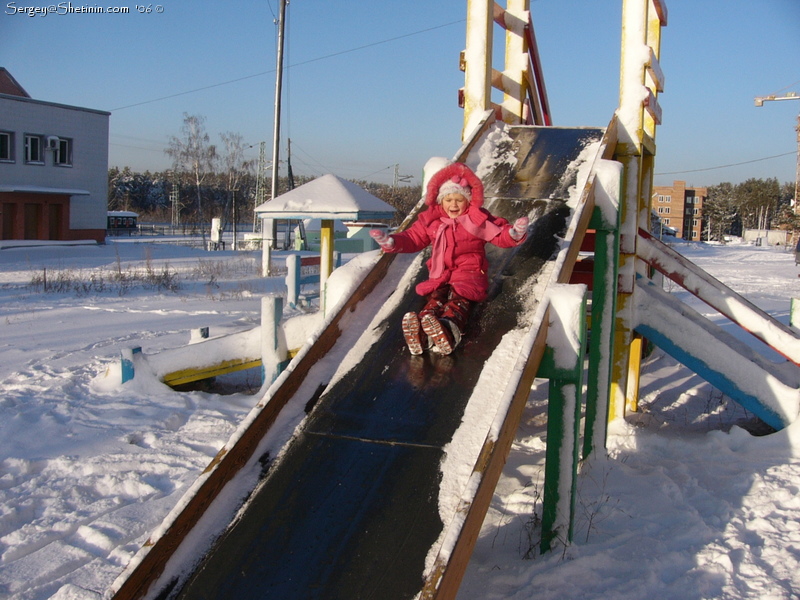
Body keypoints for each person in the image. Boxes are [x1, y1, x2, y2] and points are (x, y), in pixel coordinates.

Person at [370, 161, 528, 356]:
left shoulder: (476, 219)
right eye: (448, 199)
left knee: (458, 301)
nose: (453, 204)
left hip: (469, 273)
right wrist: (393, 242)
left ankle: (449, 330)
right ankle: (423, 331)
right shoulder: (432, 221)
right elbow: (413, 237)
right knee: (435, 299)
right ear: (440, 201)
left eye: (459, 200)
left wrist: (513, 234)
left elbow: (498, 233)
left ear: (469, 200)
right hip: (440, 274)